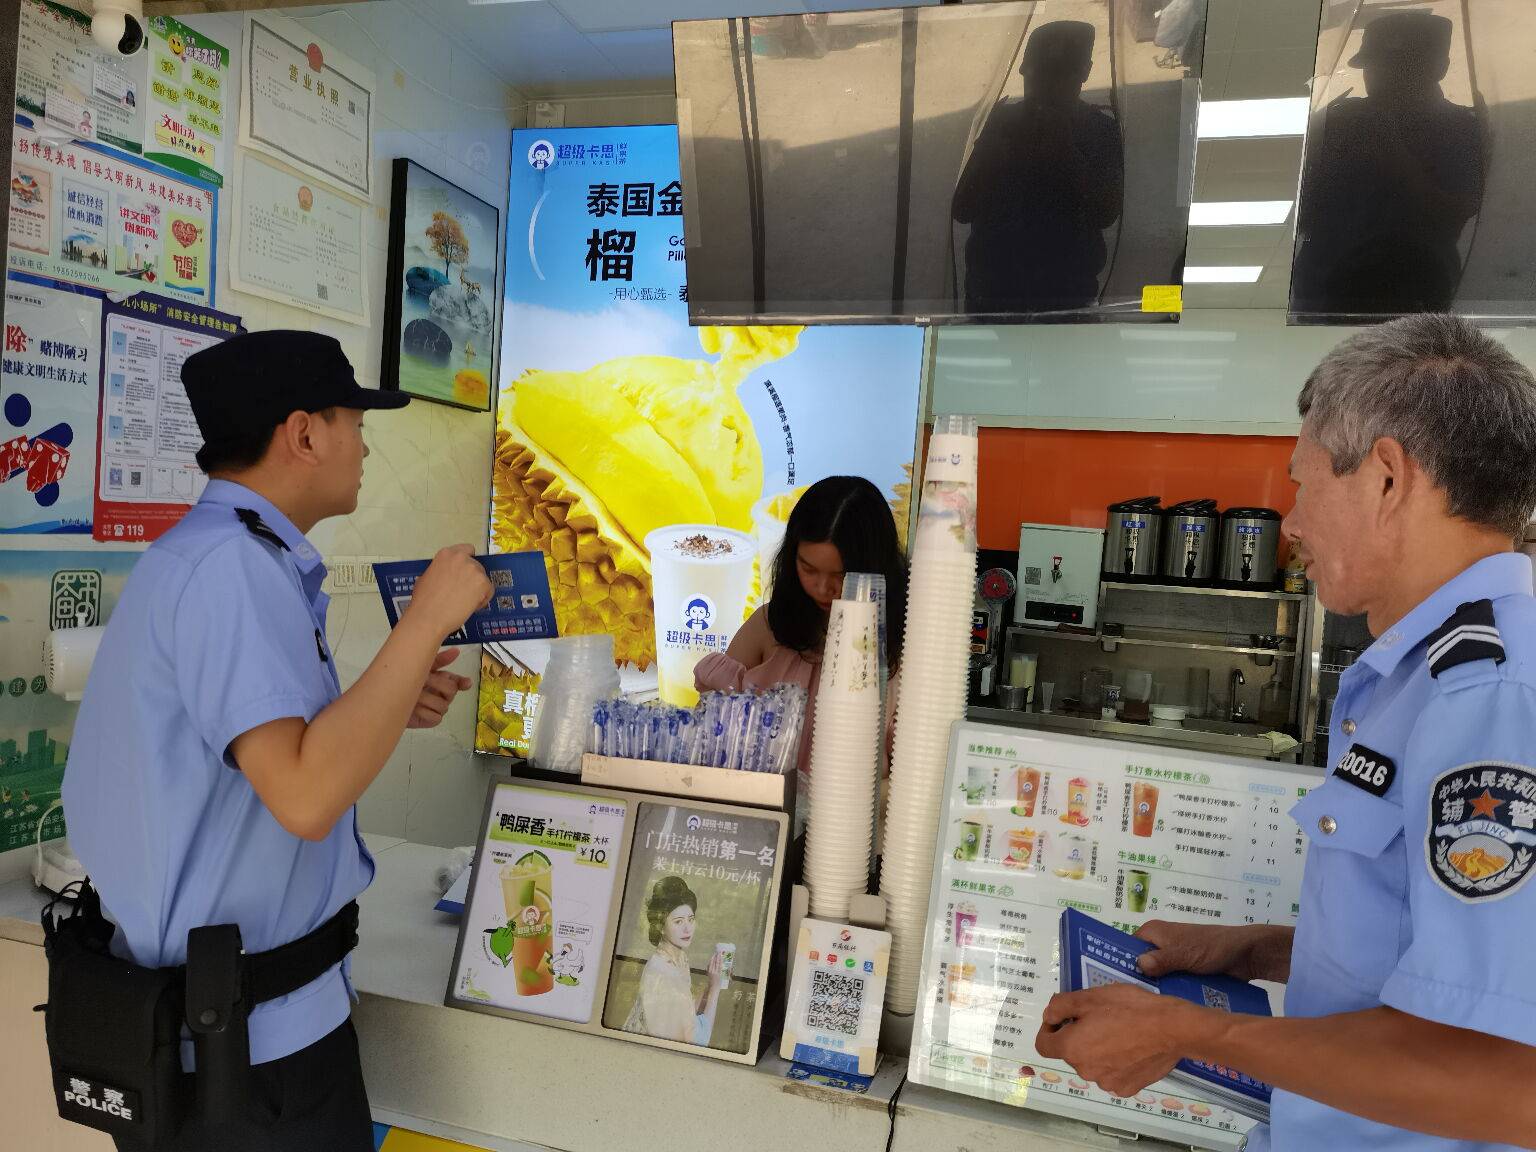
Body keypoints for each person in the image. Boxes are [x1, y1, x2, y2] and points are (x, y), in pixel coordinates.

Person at [1036, 313, 1536, 1150]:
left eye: (1304, 483)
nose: (1292, 523)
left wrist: (1192, 1033)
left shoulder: (1490, 693)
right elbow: (1438, 959)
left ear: (1386, 478)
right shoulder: (1421, 675)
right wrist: (1257, 952)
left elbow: (1508, 1081)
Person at [61, 330, 492, 1152]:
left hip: (241, 1034)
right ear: (303, 434)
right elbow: (304, 796)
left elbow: (277, 762)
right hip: (251, 1059)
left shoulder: (221, 556)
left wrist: (389, 701)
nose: (365, 445)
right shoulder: (230, 568)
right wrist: (429, 618)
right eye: (354, 422)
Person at [694, 475, 908, 776]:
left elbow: (913, 775)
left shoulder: (903, 649)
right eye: (808, 569)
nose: (822, 588)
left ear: (875, 570)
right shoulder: (769, 625)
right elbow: (709, 731)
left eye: (840, 575)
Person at [1290, 12, 1483, 317]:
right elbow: (1303, 213)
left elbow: (1461, 210)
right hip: (1322, 285)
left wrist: (1396, 157)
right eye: (1373, 66)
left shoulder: (1461, 128)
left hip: (1412, 288)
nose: (1380, 76)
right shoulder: (1341, 119)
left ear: (1438, 69)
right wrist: (1307, 148)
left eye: (1401, 67)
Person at [951, 20, 1124, 317]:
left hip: (1066, 297)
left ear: (1084, 73)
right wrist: (992, 155)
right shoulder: (1002, 122)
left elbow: (1106, 213)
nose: (1046, 87)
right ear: (1024, 72)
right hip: (993, 294)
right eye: (1038, 75)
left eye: (1059, 75)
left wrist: (1067, 154)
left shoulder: (1100, 131)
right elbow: (962, 208)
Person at [623, 876, 722, 1046]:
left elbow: (685, 1014)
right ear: (661, 926)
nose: (687, 928)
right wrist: (715, 988)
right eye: (678, 921)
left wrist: (710, 984)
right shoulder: (663, 972)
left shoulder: (679, 958)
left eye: (691, 919)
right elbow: (697, 1040)